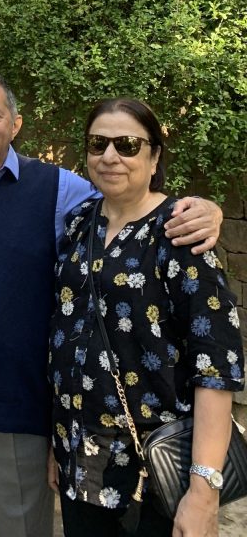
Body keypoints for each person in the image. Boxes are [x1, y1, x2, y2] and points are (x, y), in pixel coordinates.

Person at [0, 70, 224, 537]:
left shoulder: (61, 190)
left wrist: (203, 209)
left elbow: (134, 202)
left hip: (21, 412)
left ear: (15, 123)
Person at [48, 97, 245, 537]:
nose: (109, 156)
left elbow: (215, 366)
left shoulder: (180, 233)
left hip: (152, 472)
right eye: (98, 144)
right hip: (79, 460)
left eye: (127, 145)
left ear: (154, 157)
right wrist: (58, 445)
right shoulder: (79, 224)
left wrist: (204, 490)